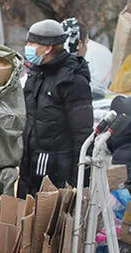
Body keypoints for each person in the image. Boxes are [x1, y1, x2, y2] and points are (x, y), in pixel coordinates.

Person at [17, 19, 93, 197]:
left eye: (31, 43)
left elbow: (82, 135)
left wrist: (79, 182)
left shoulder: (72, 81)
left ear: (48, 48)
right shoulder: (36, 74)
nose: (27, 47)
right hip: (29, 167)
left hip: (55, 174)